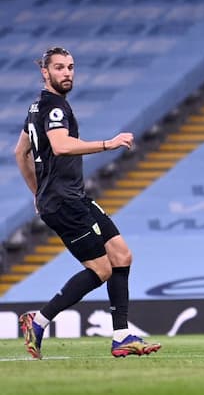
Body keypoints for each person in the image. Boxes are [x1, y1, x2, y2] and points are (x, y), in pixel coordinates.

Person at [14, 46, 161, 359]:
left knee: (122, 255)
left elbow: (20, 153)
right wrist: (110, 143)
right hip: (64, 202)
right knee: (102, 270)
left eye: (70, 67)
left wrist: (36, 193)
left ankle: (121, 336)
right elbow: (61, 145)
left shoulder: (35, 108)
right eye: (59, 68)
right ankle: (38, 321)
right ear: (45, 72)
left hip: (73, 197)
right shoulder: (53, 108)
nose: (67, 73)